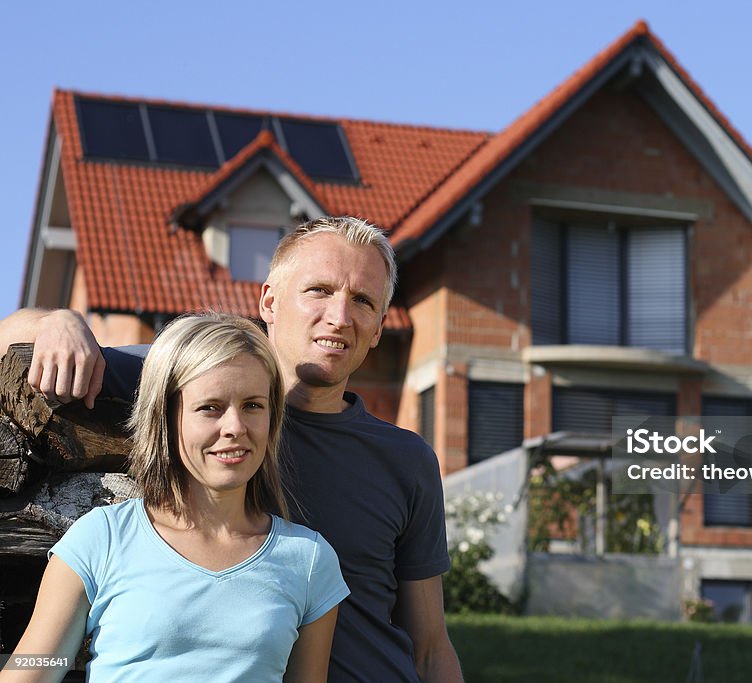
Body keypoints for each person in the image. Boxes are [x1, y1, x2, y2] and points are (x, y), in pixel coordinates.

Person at [0, 217, 463, 682]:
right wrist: (59, 321)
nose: (340, 317)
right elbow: (11, 336)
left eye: (362, 301)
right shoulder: (195, 372)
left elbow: (430, 648)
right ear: (269, 301)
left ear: (381, 326)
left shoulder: (406, 461)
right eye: (319, 290)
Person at [0, 313, 348, 683]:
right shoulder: (101, 539)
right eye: (210, 407)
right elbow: (36, 667)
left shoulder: (309, 561)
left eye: (252, 405)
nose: (235, 427)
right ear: (167, 417)